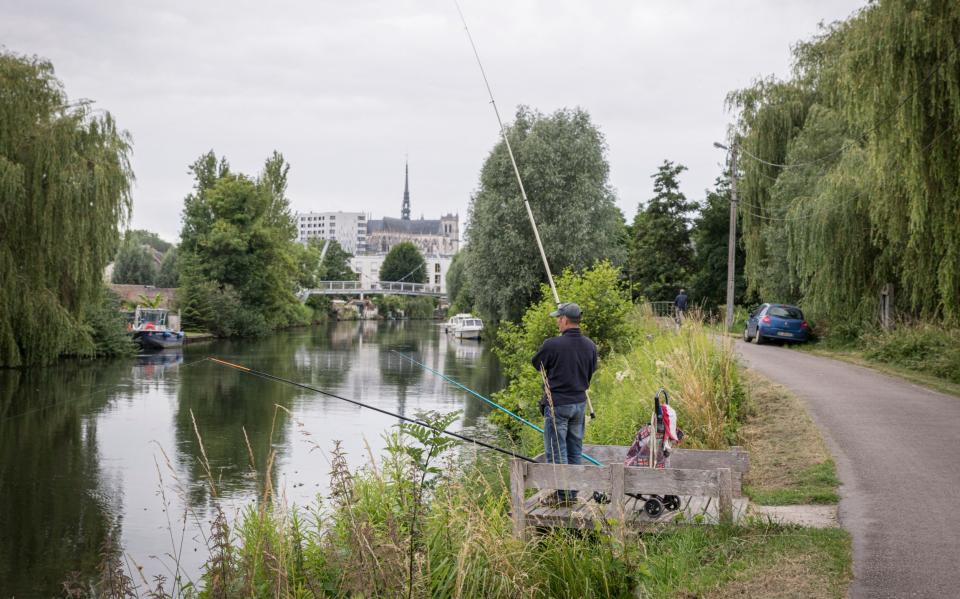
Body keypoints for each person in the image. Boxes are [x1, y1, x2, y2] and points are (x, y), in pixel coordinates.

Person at [531, 302, 598, 506]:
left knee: (557, 450)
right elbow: (591, 370)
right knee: (574, 449)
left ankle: (561, 496)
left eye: (558, 319)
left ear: (565, 320)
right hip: (579, 404)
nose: (557, 322)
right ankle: (571, 493)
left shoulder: (552, 344)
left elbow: (537, 364)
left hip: (558, 405)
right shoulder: (590, 346)